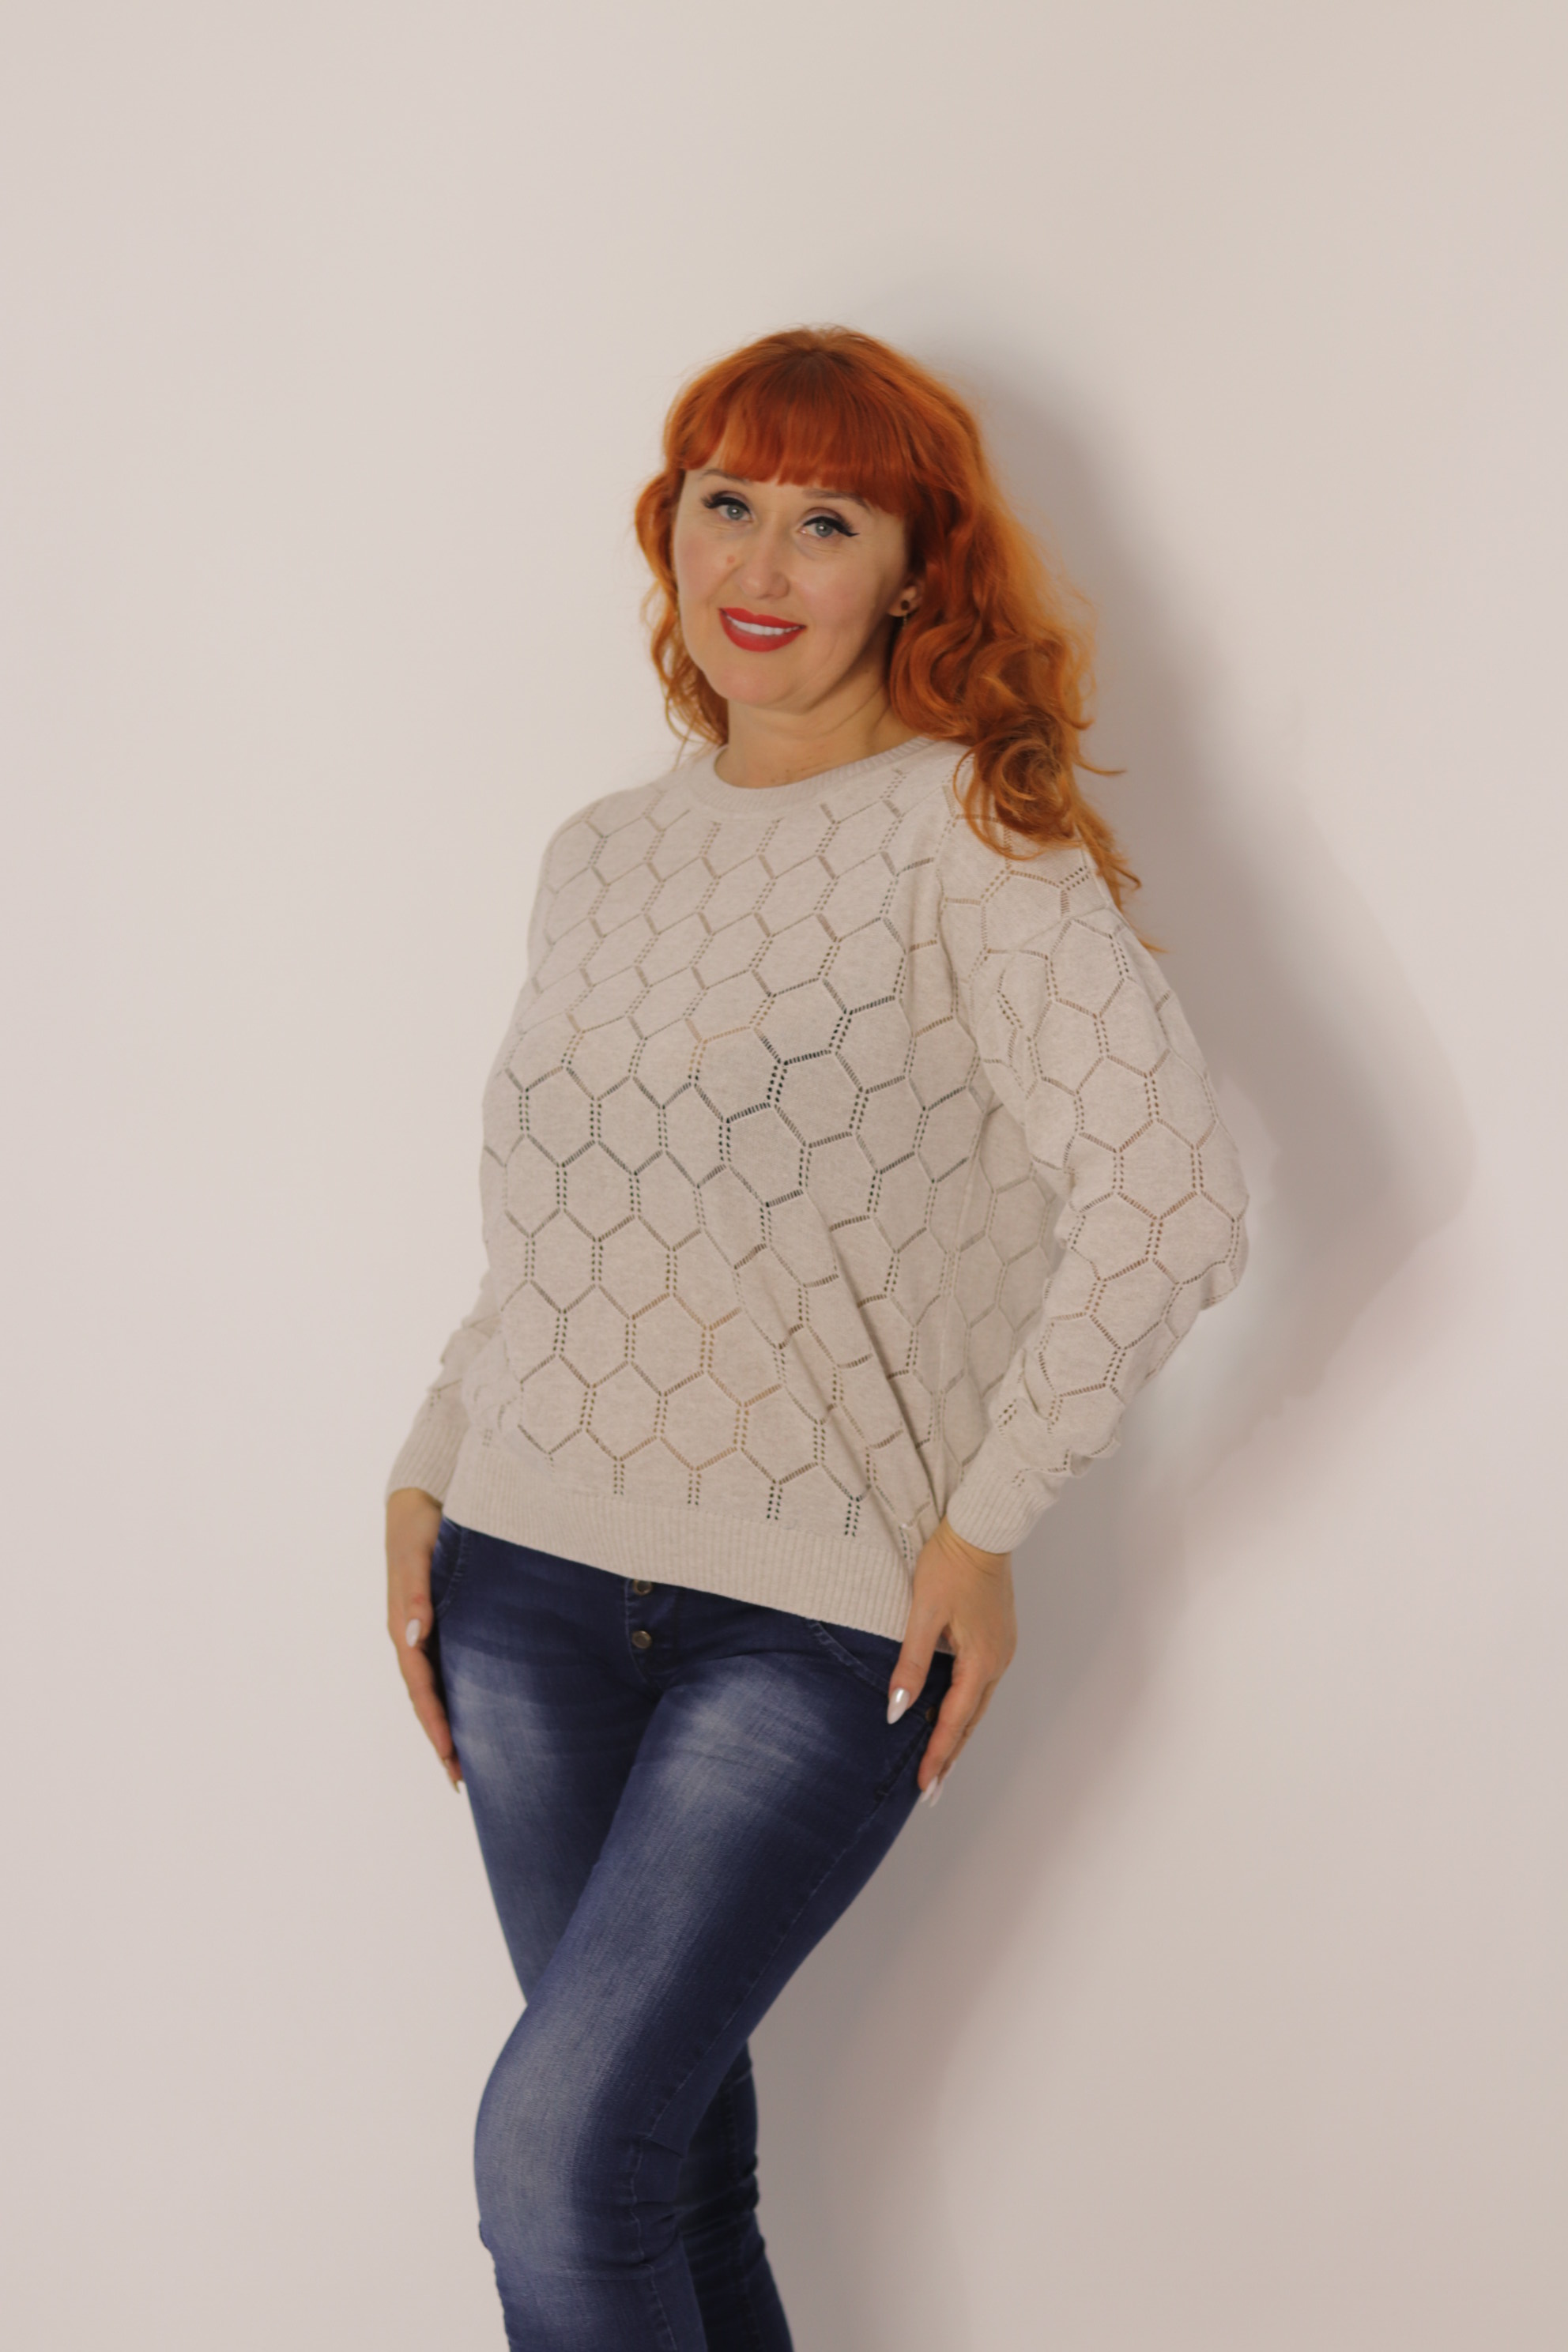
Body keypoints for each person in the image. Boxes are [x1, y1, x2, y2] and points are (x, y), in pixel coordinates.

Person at [384, 324, 1247, 2350]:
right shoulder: (599, 856)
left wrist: (985, 1518)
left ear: (913, 571)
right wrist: (430, 1459)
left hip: (805, 1618)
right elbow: (561, 1224)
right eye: (727, 502)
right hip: (517, 1577)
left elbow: (1169, 1202)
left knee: (554, 2162)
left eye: (828, 517)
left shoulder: (970, 839)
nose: (759, 561)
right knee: (660, 2174)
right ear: (668, 529)